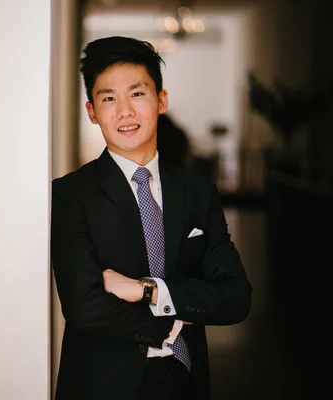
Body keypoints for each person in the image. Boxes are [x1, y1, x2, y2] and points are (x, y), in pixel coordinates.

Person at [50, 36, 252, 400]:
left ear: (161, 100)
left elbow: (235, 297)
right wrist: (175, 318)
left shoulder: (197, 193)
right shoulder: (70, 195)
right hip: (103, 383)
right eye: (108, 98)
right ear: (92, 111)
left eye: (137, 94)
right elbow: (83, 306)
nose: (124, 111)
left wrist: (147, 290)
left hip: (184, 379)